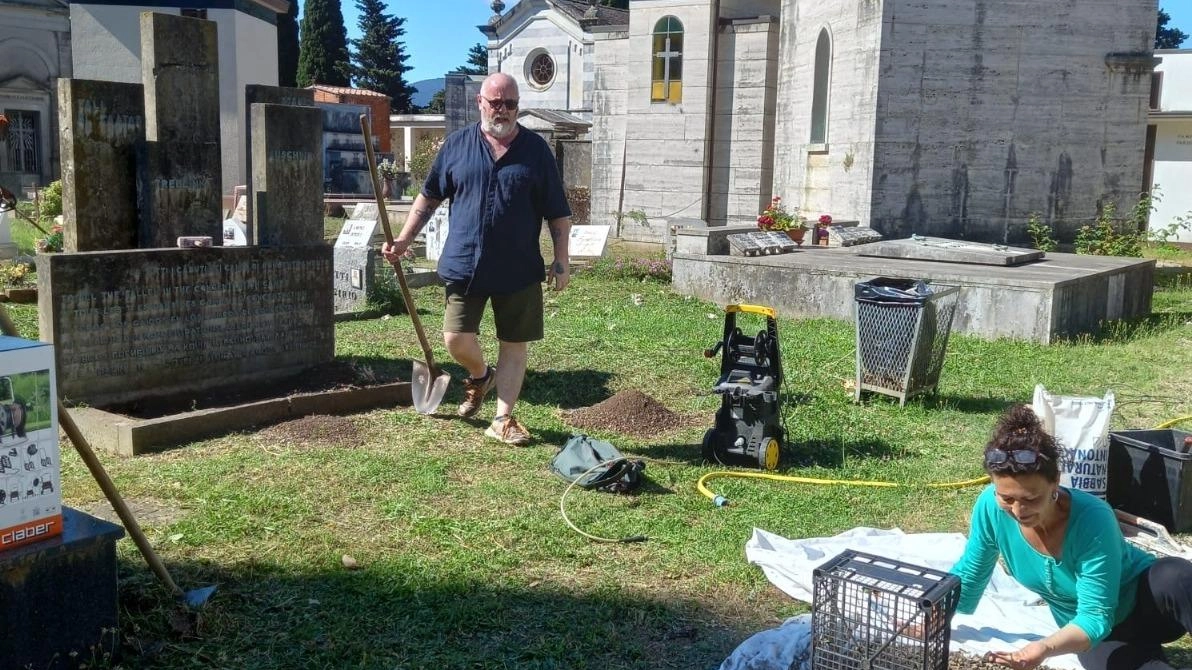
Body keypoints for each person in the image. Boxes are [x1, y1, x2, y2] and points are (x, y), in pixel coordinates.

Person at [381, 73, 571, 446]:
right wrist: (404, 239)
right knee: (455, 338)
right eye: (495, 102)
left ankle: (503, 418)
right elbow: (429, 197)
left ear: (518, 106)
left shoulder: (536, 151)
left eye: (510, 103)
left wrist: (561, 261)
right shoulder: (456, 146)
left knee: (514, 344)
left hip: (518, 268)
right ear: (480, 103)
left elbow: (558, 213)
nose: (502, 110)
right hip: (464, 263)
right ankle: (481, 375)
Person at [949, 405, 1192, 670]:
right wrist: (934, 615)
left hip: (1149, 601)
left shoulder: (1092, 518)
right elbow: (971, 573)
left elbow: (1097, 610)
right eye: (1007, 498)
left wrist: (1045, 647)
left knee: (1175, 575)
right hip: (1097, 632)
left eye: (1031, 498)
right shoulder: (990, 508)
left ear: (1055, 482)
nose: (1018, 511)